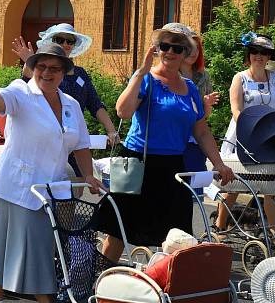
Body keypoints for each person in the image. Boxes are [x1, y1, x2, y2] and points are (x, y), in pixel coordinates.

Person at [0, 30, 102, 303]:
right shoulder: (21, 93)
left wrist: (88, 176)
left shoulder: (71, 103)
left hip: (54, 188)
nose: (47, 73)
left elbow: (81, 145)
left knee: (18, 244)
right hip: (21, 187)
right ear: (33, 67)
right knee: (39, 249)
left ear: (63, 72)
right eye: (42, 67)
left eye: (54, 68)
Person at [99, 24, 233, 263]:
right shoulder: (147, 80)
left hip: (173, 166)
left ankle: (168, 287)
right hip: (138, 162)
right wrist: (140, 73)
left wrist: (219, 163)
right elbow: (123, 112)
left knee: (177, 234)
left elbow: (201, 130)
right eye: (165, 46)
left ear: (185, 54)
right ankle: (96, 280)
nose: (170, 52)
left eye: (178, 48)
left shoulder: (190, 88)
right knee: (118, 231)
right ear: (157, 49)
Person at [11, 23, 120, 168]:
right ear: (50, 41)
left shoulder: (80, 74)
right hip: (47, 142)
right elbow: (26, 83)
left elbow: (95, 104)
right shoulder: (42, 72)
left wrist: (111, 130)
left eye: (70, 41)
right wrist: (31, 62)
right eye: (59, 39)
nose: (65, 44)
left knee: (77, 186)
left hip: (73, 141)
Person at [214, 33, 275, 238]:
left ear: (269, 56)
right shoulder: (240, 78)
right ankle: (220, 228)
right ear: (249, 54)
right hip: (244, 136)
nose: (259, 56)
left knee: (271, 188)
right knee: (235, 183)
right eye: (255, 51)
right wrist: (252, 130)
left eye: (264, 52)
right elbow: (236, 110)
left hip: (270, 138)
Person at [174, 23, 219, 197]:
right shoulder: (168, 75)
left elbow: (203, 121)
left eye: (197, 49)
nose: (194, 53)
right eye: (189, 48)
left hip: (194, 140)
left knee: (192, 194)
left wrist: (206, 107)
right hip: (173, 140)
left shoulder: (203, 76)